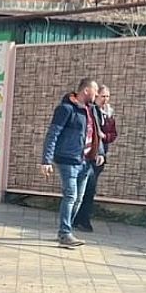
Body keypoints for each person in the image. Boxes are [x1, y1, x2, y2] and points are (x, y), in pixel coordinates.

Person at [41, 77, 103, 248]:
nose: (97, 94)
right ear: (86, 90)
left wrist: (100, 152)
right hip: (68, 160)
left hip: (86, 161)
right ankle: (65, 233)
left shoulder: (92, 111)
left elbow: (97, 133)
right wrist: (46, 160)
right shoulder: (65, 109)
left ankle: (65, 230)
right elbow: (53, 134)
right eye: (95, 90)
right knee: (70, 195)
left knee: (78, 199)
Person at [74, 85, 118, 232]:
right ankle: (80, 219)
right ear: (96, 96)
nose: (105, 100)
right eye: (102, 96)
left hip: (100, 154)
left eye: (107, 97)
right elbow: (93, 134)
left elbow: (112, 134)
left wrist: (106, 135)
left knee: (89, 189)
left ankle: (79, 219)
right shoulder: (92, 110)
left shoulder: (108, 113)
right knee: (86, 188)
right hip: (90, 155)